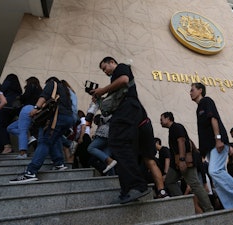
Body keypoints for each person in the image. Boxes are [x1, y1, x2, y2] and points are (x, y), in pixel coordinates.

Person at [190, 82, 233, 216]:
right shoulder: (198, 109)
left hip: (217, 144)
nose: (190, 92)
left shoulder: (207, 101)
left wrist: (218, 139)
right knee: (217, 181)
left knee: (214, 171)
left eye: (192, 90)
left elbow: (214, 119)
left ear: (200, 90)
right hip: (209, 148)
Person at [91, 56, 150, 204]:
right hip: (125, 111)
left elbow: (124, 79)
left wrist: (102, 89)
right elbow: (113, 100)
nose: (105, 72)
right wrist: (100, 97)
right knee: (120, 147)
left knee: (118, 143)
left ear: (112, 62)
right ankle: (127, 190)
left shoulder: (121, 67)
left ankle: (137, 186)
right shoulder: (114, 81)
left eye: (105, 68)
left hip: (128, 109)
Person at [9, 77, 74, 183]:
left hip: (57, 118)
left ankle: (31, 172)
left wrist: (36, 108)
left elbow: (43, 97)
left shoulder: (52, 83)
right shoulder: (65, 90)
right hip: (67, 119)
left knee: (44, 142)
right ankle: (59, 164)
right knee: (54, 139)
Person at [160, 111, 213, 212]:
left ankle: (209, 209)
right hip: (176, 163)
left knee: (194, 184)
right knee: (169, 181)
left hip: (183, 161)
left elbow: (181, 141)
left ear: (168, 118)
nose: (160, 122)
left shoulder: (176, 127)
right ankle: (184, 204)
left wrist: (182, 159)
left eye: (161, 119)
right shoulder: (172, 129)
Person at [7, 77, 42, 159]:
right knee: (10, 128)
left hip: (27, 109)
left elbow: (25, 97)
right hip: (35, 111)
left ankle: (23, 153)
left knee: (22, 130)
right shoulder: (40, 90)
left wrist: (19, 98)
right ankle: (28, 138)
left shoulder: (31, 86)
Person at [0, 73, 22, 154]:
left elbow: (0, 92)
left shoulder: (8, 82)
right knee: (4, 126)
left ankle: (6, 146)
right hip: (14, 109)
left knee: (0, 126)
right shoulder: (18, 89)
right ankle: (1, 148)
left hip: (5, 106)